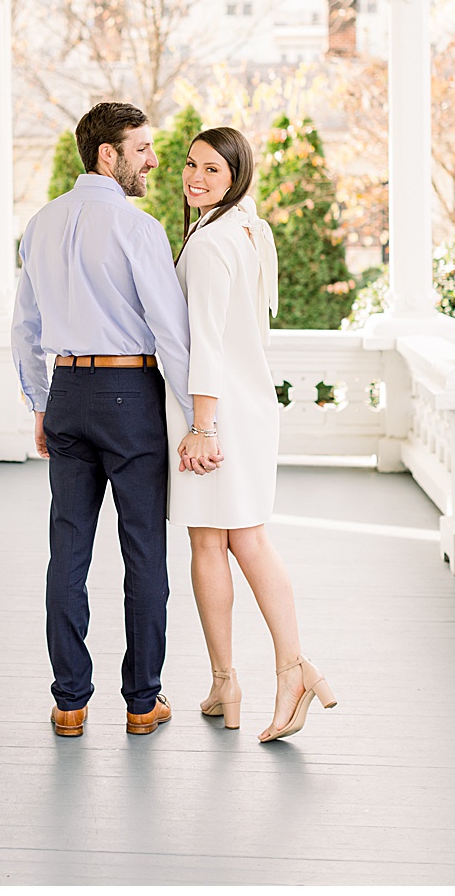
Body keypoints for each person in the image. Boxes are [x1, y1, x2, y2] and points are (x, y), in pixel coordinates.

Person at [12, 102, 193, 738]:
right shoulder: (137, 228)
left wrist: (41, 402)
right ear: (107, 155)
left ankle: (69, 702)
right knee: (144, 551)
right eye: (141, 149)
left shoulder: (39, 224)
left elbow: (26, 328)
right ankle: (142, 703)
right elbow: (171, 333)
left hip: (67, 391)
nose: (152, 160)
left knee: (68, 552)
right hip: (129, 392)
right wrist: (198, 417)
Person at [168, 126, 337, 743]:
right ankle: (276, 672)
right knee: (247, 541)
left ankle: (243, 678)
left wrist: (201, 427)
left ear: (235, 175)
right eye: (191, 165)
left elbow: (206, 341)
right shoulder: (247, 228)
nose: (195, 178)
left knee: (214, 545)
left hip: (218, 416)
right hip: (248, 406)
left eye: (213, 170)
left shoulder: (213, 242)